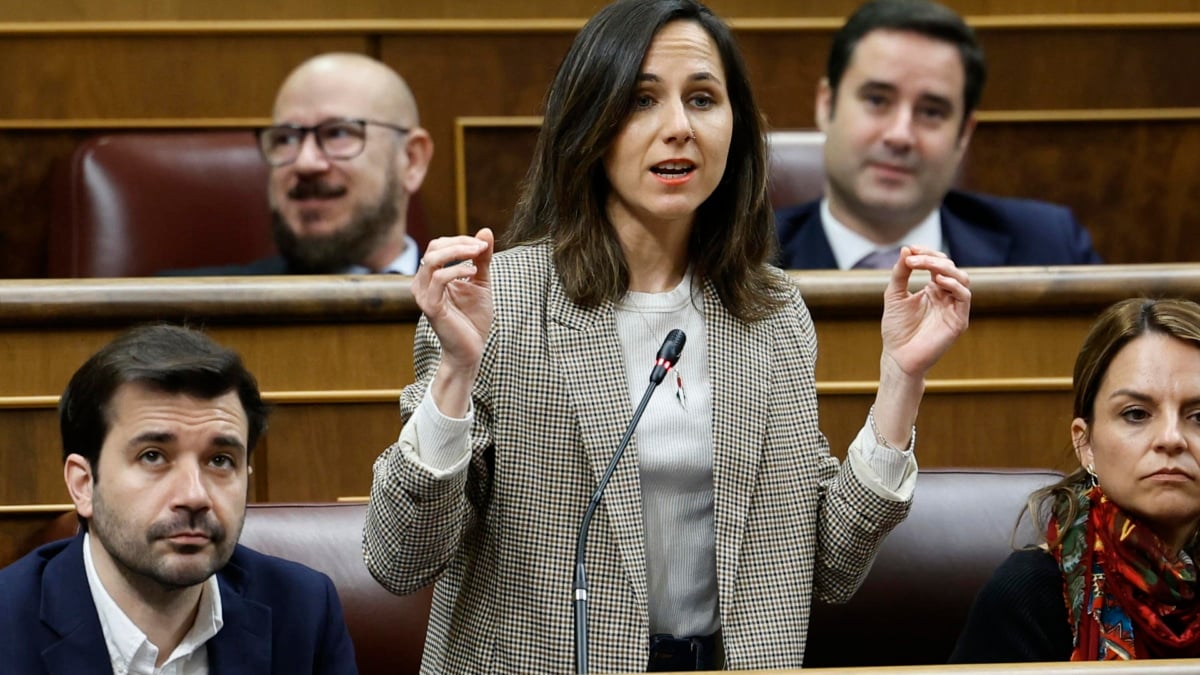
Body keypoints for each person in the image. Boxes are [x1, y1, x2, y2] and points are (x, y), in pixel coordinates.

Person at [362, 0, 971, 672]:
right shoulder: (496, 302)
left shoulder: (770, 314)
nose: (678, 127)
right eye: (642, 100)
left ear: (735, 128)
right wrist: (455, 372)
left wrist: (901, 380)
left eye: (703, 99)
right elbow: (401, 557)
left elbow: (831, 565)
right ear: (590, 122)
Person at [0, 324, 358, 674]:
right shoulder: (9, 626)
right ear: (83, 485)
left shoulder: (303, 612)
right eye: (153, 456)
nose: (194, 495)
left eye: (220, 461)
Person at [951, 298, 1200, 662]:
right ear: (1085, 443)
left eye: (1199, 416)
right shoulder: (1029, 595)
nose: (1171, 438)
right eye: (1136, 414)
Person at [774, 0, 1102, 270]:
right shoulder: (742, 259)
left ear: (963, 134)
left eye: (931, 112)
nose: (900, 135)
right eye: (877, 100)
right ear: (826, 105)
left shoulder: (1051, 247)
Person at [169, 52, 432, 275]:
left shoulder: (468, 306)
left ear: (411, 160)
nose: (305, 163)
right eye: (286, 139)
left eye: (337, 133)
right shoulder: (189, 309)